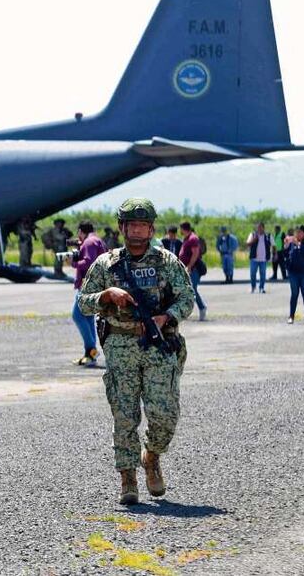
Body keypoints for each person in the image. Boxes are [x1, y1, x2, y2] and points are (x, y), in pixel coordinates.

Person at [77, 198, 194, 505]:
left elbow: (187, 299)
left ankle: (151, 457)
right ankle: (127, 477)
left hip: (158, 345)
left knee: (165, 415)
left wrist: (166, 317)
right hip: (120, 345)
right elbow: (83, 303)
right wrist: (106, 294)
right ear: (122, 228)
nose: (138, 231)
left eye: (143, 225)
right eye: (133, 225)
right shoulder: (106, 264)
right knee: (124, 416)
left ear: (151, 229)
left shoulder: (167, 262)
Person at [71, 221, 108, 366]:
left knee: (77, 315)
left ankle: (91, 350)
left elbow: (88, 262)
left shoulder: (88, 242)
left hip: (88, 285)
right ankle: (90, 355)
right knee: (88, 317)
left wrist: (73, 262)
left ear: (81, 231)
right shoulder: (97, 240)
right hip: (96, 284)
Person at [285, 225, 304, 324]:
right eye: (296, 232)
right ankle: (291, 316)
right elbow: (286, 255)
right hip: (293, 272)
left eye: (300, 232)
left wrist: (298, 244)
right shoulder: (292, 242)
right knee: (294, 294)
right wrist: (286, 245)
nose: (298, 234)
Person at [177, 222, 207, 321]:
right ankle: (185, 311)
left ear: (183, 229)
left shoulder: (193, 238)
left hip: (193, 269)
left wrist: (189, 266)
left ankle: (202, 307)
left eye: (180, 229)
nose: (180, 231)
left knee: (192, 289)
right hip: (186, 269)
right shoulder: (186, 238)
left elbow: (195, 253)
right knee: (186, 290)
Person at [246, 222, 272, 294]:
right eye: (258, 227)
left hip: (263, 259)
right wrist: (254, 239)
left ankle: (261, 288)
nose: (259, 229)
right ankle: (253, 287)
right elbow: (247, 244)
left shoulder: (268, 236)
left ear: (263, 228)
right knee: (253, 274)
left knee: (263, 274)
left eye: (260, 227)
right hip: (254, 259)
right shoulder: (252, 234)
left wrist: (275, 254)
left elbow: (273, 245)